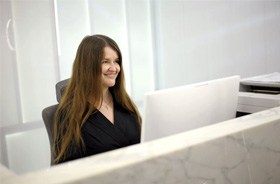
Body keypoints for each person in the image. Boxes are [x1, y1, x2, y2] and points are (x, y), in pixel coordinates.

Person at [53, 35, 141, 164]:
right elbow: (68, 168)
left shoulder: (124, 103)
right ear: (88, 66)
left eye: (116, 61)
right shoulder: (70, 113)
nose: (114, 68)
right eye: (105, 62)